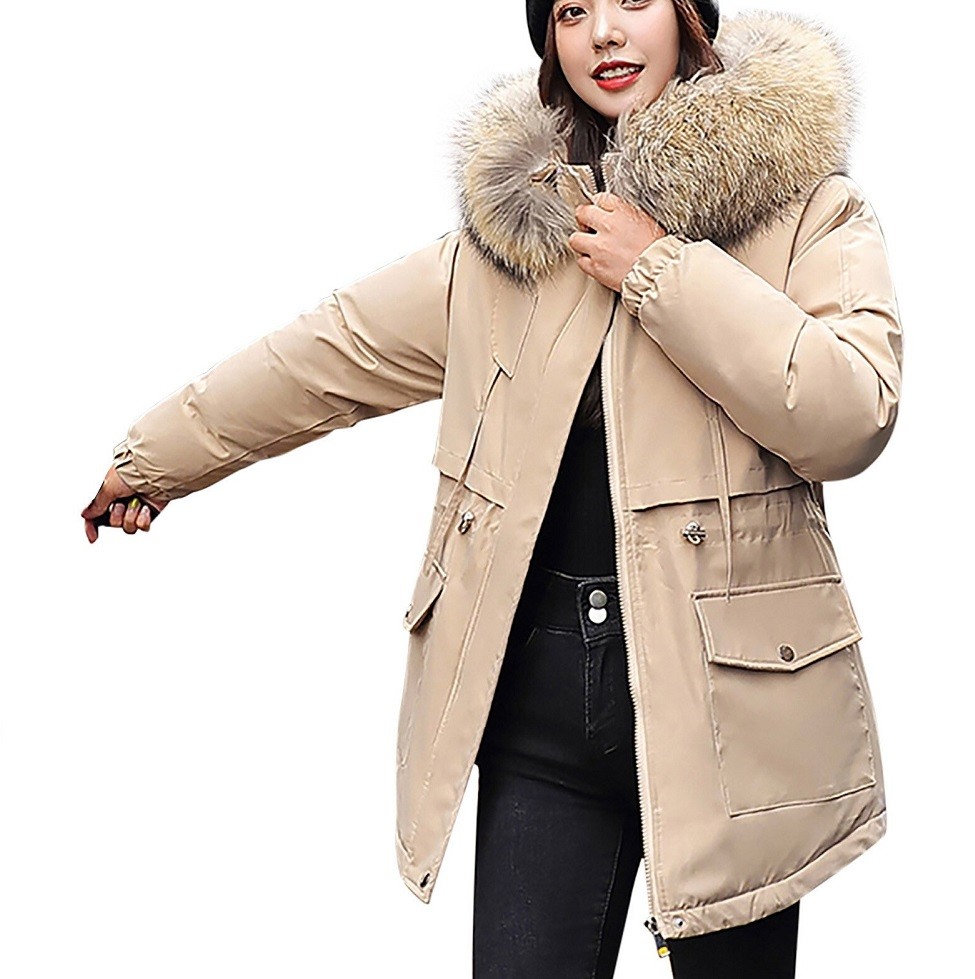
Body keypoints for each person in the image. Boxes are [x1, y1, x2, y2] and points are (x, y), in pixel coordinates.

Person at [81, 2, 903, 976]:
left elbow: (850, 413)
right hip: (538, 707)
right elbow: (330, 352)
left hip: (742, 714)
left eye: (632, 1)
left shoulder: (809, 210)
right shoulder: (511, 240)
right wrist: (155, 458)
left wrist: (659, 270)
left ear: (689, 15)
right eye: (572, 10)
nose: (603, 33)